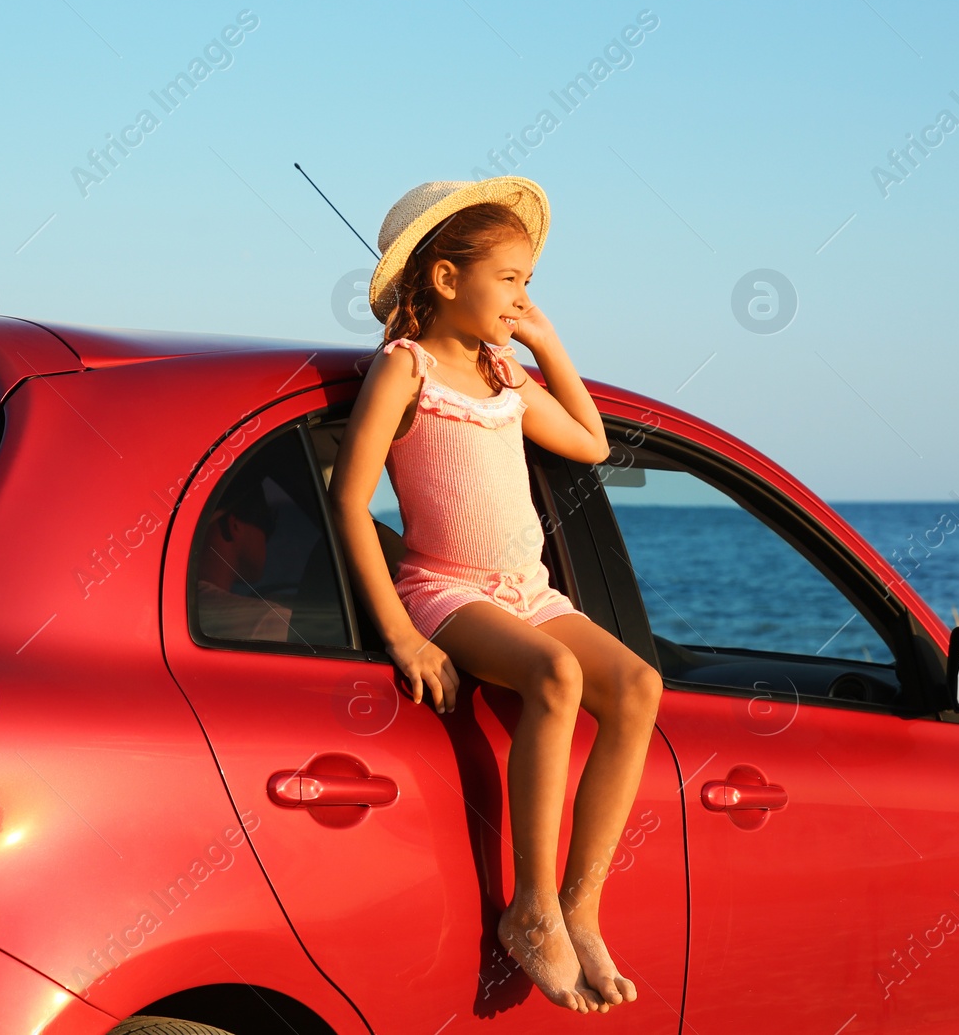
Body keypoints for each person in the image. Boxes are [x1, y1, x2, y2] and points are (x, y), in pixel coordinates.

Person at [327, 177, 664, 1015]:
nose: (522, 298)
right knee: (554, 677)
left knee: (638, 687)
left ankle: (581, 905)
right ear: (446, 279)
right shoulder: (406, 370)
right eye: (511, 280)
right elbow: (347, 497)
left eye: (529, 285)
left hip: (528, 590)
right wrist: (403, 635)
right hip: (448, 590)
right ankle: (532, 907)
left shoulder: (502, 376)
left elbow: (588, 444)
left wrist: (549, 348)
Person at [195, 462, 292, 642]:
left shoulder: (165, 608)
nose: (267, 538)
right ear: (234, 525)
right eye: (267, 524)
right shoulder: (269, 623)